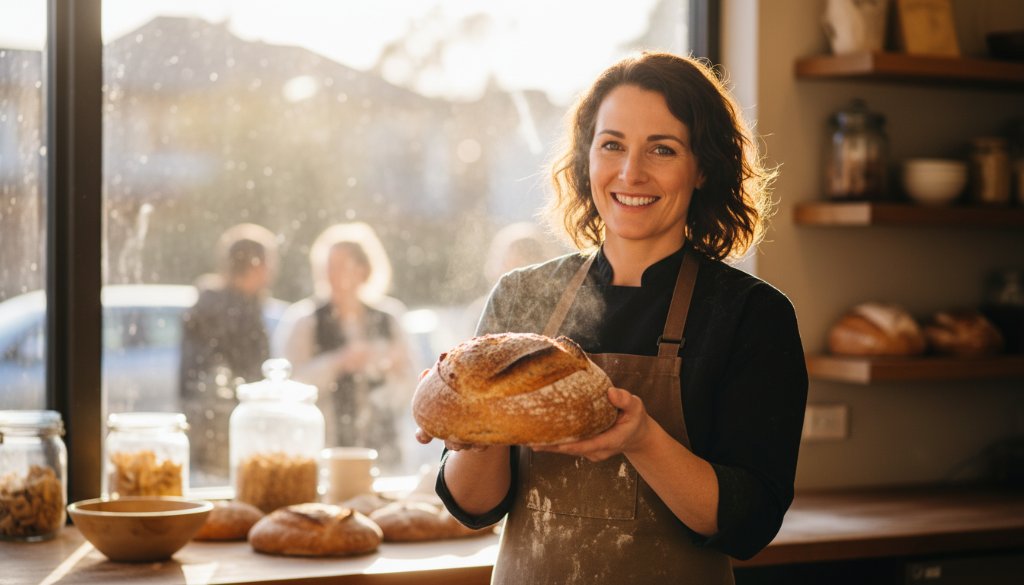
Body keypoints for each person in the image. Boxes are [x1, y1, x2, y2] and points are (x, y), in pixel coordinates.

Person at [416, 51, 808, 584]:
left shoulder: (750, 315)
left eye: (662, 149)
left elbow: (748, 525)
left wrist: (641, 437)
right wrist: (475, 430)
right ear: (587, 158)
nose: (631, 172)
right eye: (612, 145)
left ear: (704, 168)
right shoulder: (523, 295)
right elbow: (474, 506)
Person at [276, 222, 413, 470]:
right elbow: (289, 386)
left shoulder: (389, 318)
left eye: (341, 266)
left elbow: (412, 385)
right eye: (328, 266)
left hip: (383, 455)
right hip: (323, 452)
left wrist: (387, 365)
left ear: (363, 269)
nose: (332, 274)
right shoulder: (305, 321)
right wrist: (338, 362)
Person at [179, 223, 281, 485]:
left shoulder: (213, 303)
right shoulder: (233, 310)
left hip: (211, 426)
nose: (273, 271)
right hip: (226, 428)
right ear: (256, 264)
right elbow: (246, 376)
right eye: (270, 262)